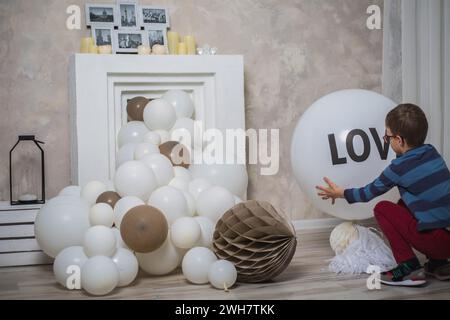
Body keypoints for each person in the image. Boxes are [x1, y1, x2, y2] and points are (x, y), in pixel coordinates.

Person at [316, 103, 450, 286]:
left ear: (400, 141)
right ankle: (439, 264)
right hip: (447, 237)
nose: (385, 140)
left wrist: (341, 193)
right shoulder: (432, 153)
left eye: (387, 137)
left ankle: (409, 268)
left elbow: (367, 193)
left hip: (437, 241)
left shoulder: (398, 168)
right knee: (404, 205)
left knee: (383, 209)